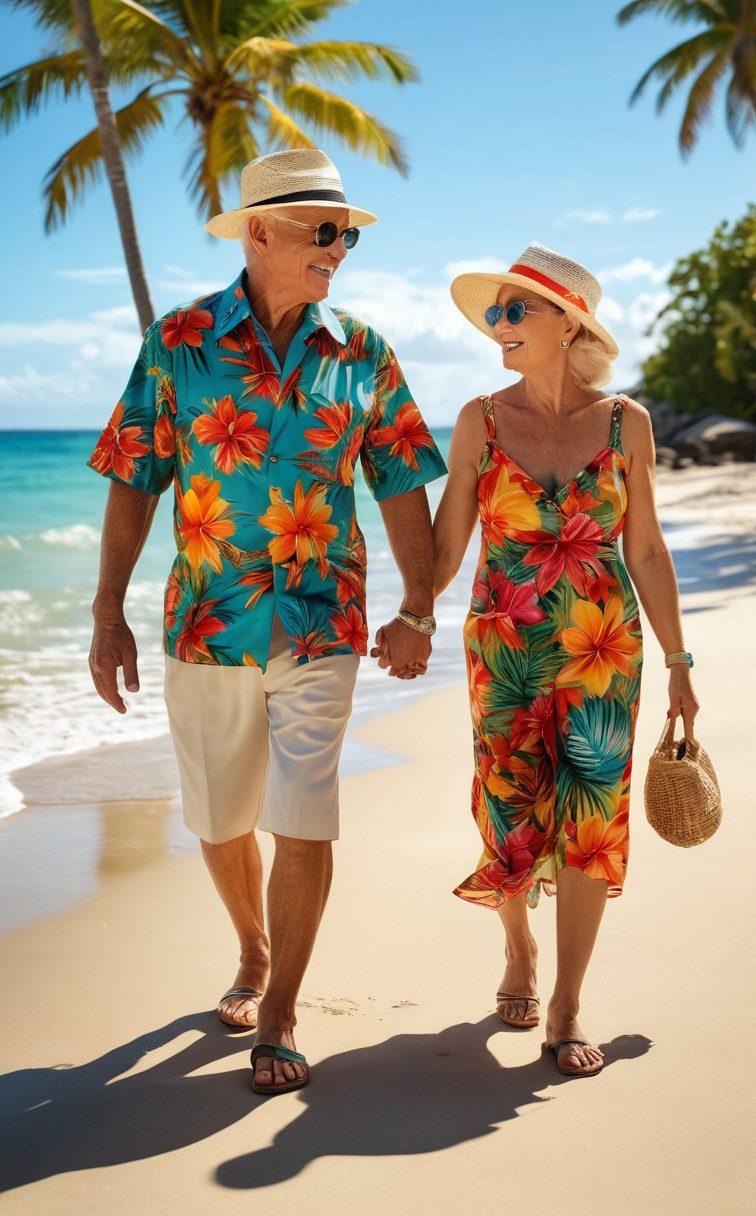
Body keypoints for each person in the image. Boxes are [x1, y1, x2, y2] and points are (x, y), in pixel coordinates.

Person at [87, 148, 447, 1095]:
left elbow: (405, 484)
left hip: (324, 618)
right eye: (324, 229)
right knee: (218, 817)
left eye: (349, 232)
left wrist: (418, 606)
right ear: (260, 231)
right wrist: (105, 612)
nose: (342, 246)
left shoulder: (364, 351)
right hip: (208, 618)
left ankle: (281, 1008)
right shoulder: (179, 342)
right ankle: (250, 947)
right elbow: (133, 476)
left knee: (305, 814)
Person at [431, 243, 698, 1078]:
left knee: (588, 817)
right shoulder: (480, 416)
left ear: (568, 322)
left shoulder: (627, 422)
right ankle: (518, 948)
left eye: (516, 311)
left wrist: (681, 663)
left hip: (604, 648)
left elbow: (647, 548)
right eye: (494, 313)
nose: (498, 324)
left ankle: (569, 1005)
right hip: (504, 648)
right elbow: (448, 540)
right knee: (509, 808)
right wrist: (407, 610)